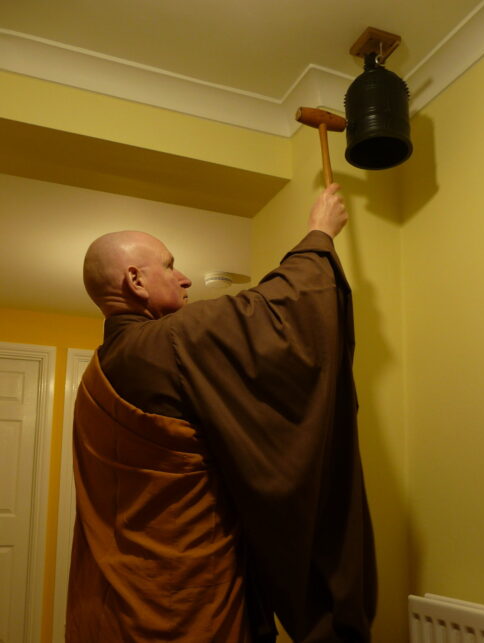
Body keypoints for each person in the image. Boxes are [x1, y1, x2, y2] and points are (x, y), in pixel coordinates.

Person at [66, 183, 377, 642]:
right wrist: (318, 235)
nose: (185, 278)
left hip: (110, 603)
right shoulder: (165, 343)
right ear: (135, 281)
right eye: (171, 266)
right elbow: (278, 312)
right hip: (183, 609)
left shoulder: (98, 371)